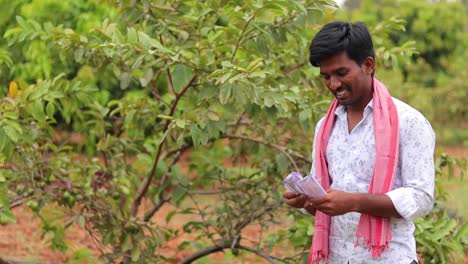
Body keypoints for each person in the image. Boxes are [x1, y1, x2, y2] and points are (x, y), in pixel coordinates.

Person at [283, 21, 435, 264]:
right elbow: (327, 198)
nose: (333, 84)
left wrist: (355, 201)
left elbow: (421, 198)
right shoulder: (325, 126)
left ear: (368, 65)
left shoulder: (409, 122)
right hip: (335, 258)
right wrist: (308, 201)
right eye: (326, 76)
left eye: (341, 73)